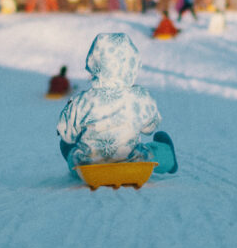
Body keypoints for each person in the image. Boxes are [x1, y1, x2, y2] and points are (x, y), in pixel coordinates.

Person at [56, 32, 178, 176]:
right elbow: (150, 127)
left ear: (94, 63)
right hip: (131, 160)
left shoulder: (82, 100)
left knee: (68, 145)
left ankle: (78, 162)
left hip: (91, 166)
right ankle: (168, 157)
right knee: (150, 153)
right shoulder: (139, 96)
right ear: (132, 64)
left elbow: (66, 131)